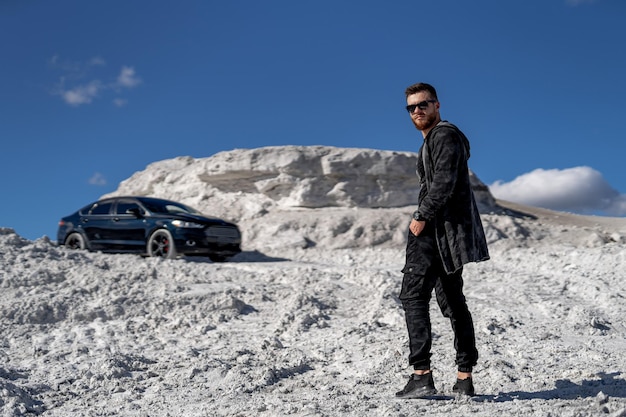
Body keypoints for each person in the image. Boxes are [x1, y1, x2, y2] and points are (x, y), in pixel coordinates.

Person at [395, 82, 490, 399]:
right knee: (452, 302)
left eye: (423, 104)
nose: (417, 110)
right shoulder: (438, 139)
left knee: (413, 297)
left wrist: (421, 216)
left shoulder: (443, 134)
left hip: (435, 231)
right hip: (447, 235)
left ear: (437, 105)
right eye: (412, 107)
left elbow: (444, 182)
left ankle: (421, 375)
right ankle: (464, 379)